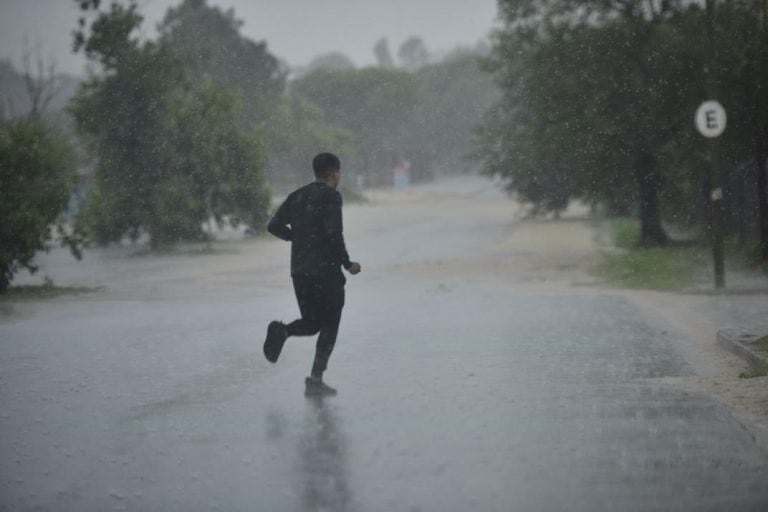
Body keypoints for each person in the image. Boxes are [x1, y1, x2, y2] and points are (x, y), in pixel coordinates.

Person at [263, 152, 361, 396]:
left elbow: (273, 226)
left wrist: (297, 236)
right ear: (333, 172)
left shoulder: (297, 196)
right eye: (339, 172)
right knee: (330, 324)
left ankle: (283, 331)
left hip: (300, 272)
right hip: (325, 273)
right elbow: (333, 234)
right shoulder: (331, 197)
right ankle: (315, 379)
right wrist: (348, 264)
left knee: (312, 322)